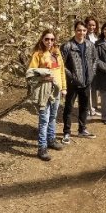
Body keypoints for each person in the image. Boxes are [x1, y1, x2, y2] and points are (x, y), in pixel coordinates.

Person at [27, 29, 66, 161]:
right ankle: (42, 147)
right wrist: (43, 79)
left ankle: (51, 139)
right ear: (42, 40)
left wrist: (64, 87)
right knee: (44, 119)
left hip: (57, 90)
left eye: (52, 39)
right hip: (44, 91)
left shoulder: (56, 53)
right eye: (47, 39)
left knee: (53, 116)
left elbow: (61, 71)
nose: (49, 42)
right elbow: (30, 74)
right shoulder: (37, 54)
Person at [60, 21, 97, 141]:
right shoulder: (67, 46)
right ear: (75, 31)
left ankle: (82, 129)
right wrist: (71, 76)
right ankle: (66, 132)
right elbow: (61, 65)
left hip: (86, 81)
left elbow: (95, 60)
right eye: (79, 30)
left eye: (84, 30)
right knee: (69, 107)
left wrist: (92, 73)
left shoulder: (90, 45)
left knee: (84, 106)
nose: (81, 33)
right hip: (73, 83)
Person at [85, 16, 101, 118]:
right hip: (88, 64)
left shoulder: (97, 36)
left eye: (93, 25)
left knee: (95, 87)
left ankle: (94, 107)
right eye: (90, 25)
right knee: (89, 87)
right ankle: (89, 109)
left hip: (97, 64)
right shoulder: (84, 36)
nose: (92, 27)